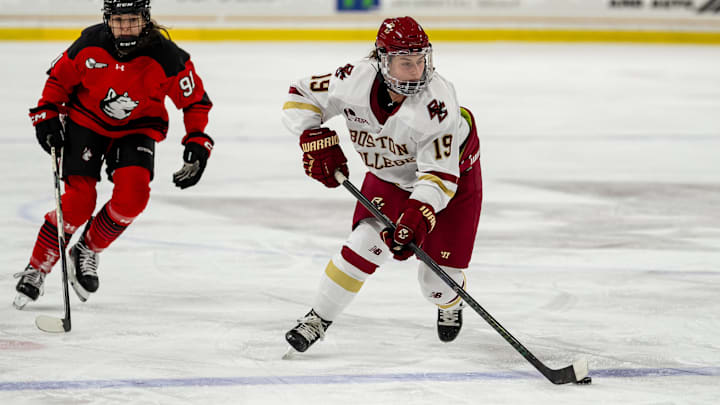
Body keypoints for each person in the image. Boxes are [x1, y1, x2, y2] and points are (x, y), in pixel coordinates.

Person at [281, 16, 482, 353]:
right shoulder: (352, 79)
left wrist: (415, 218)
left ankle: (450, 303)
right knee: (363, 245)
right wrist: (313, 136)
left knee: (434, 284)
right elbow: (300, 94)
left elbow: (439, 177)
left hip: (450, 181)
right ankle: (318, 318)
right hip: (390, 175)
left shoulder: (437, 102)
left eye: (422, 61)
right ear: (382, 60)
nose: (417, 72)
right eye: (406, 63)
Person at [13, 0, 214, 309]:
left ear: (145, 19)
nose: (125, 28)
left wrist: (198, 140)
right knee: (78, 202)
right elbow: (57, 82)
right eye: (119, 21)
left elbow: (195, 101)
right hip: (86, 123)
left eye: (132, 20)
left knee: (133, 198)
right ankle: (38, 267)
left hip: (138, 128)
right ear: (108, 20)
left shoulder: (166, 55)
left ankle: (87, 249)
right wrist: (47, 114)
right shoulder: (89, 44)